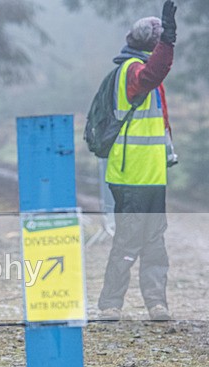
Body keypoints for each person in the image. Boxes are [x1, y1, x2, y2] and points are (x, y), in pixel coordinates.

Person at [98, 1, 177, 321]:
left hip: (150, 173)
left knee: (154, 241)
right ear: (153, 45)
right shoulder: (133, 72)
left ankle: (157, 304)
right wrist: (169, 37)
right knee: (130, 241)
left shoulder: (137, 72)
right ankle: (110, 305)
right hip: (132, 173)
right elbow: (156, 70)